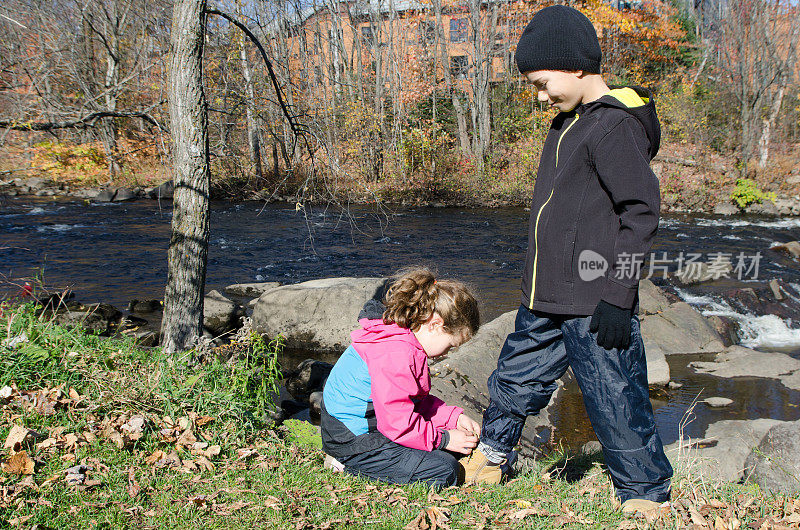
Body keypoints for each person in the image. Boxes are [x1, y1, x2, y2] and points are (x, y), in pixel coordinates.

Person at [460, 4, 673, 514]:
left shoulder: (612, 128)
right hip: (544, 294)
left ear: (576, 66)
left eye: (542, 82)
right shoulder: (568, 124)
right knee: (514, 378)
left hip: (595, 300)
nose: (539, 95)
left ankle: (644, 492)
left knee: (613, 394)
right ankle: (491, 458)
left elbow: (640, 214)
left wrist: (619, 297)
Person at [320, 267, 482, 488]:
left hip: (371, 425)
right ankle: (345, 466)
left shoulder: (404, 337)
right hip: (353, 439)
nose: (447, 353)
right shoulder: (396, 352)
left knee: (444, 457)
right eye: (451, 345)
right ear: (435, 325)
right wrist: (444, 439)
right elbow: (398, 423)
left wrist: (452, 418)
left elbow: (411, 402)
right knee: (445, 470)